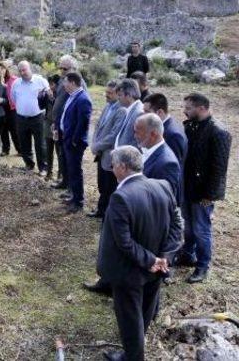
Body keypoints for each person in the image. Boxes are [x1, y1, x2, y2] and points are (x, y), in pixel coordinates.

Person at [97, 146, 182, 361]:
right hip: (156, 269)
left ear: (123, 167)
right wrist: (165, 257)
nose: (112, 169)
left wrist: (152, 259)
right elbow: (177, 226)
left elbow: (123, 242)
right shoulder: (162, 186)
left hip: (129, 271)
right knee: (144, 312)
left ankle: (133, 357)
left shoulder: (121, 197)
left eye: (113, 165)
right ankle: (133, 352)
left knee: (130, 318)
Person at [177, 93, 232, 284]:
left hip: (203, 193)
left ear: (202, 108)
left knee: (202, 229)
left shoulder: (219, 132)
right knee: (189, 225)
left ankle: (202, 266)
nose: (185, 111)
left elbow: (219, 168)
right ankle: (188, 254)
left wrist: (210, 195)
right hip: (188, 187)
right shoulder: (189, 126)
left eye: (189, 108)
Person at [87, 80, 127, 219]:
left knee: (109, 186)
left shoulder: (121, 110)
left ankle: (106, 213)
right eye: (106, 92)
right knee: (101, 184)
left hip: (109, 155)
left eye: (110, 93)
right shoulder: (107, 106)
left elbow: (113, 135)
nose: (107, 95)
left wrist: (97, 146)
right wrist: (94, 143)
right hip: (100, 153)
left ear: (118, 94)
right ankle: (101, 210)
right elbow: (98, 126)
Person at [50, 55, 87, 189]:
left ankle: (72, 187)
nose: (62, 71)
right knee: (62, 154)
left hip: (69, 128)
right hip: (60, 124)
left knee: (70, 159)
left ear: (73, 68)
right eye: (60, 68)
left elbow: (83, 108)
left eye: (65, 68)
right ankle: (65, 181)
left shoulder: (79, 83)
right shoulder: (62, 80)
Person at [57, 72, 92, 213]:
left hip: (74, 143)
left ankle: (78, 202)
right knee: (71, 170)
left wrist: (74, 141)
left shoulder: (83, 99)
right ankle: (73, 197)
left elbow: (83, 123)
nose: (64, 85)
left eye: (65, 82)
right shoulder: (73, 96)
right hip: (68, 139)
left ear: (72, 83)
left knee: (76, 171)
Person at [11, 60, 49, 175]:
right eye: (20, 70)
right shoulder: (16, 83)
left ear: (30, 68)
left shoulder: (41, 81)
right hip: (21, 118)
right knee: (24, 143)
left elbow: (48, 96)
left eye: (25, 69)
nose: (23, 72)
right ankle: (29, 164)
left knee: (40, 144)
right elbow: (13, 98)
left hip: (38, 118)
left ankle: (43, 168)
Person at [134, 113, 181, 202]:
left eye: (137, 132)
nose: (135, 136)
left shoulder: (167, 164)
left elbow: (165, 201)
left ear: (153, 134)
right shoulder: (146, 149)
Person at [143, 93, 187, 167]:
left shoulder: (172, 135)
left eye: (147, 112)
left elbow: (172, 167)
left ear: (160, 112)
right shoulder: (165, 127)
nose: (143, 115)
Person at [114, 79, 144, 151]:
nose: (118, 98)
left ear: (129, 95)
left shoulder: (139, 113)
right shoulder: (128, 110)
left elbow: (138, 144)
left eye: (120, 95)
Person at [0, 62, 20, 156]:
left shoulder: (13, 79)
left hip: (12, 109)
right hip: (0, 109)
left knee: (14, 130)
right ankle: (5, 149)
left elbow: (17, 93)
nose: (1, 71)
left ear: (5, 69)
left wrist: (3, 84)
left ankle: (20, 149)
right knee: (3, 130)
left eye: (2, 69)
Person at [42, 75, 61, 180]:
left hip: (57, 125)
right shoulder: (48, 94)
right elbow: (41, 106)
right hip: (48, 123)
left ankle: (60, 173)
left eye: (52, 84)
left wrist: (52, 99)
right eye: (49, 84)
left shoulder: (62, 94)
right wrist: (40, 96)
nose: (50, 87)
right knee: (48, 149)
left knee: (59, 151)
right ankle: (49, 172)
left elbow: (58, 108)